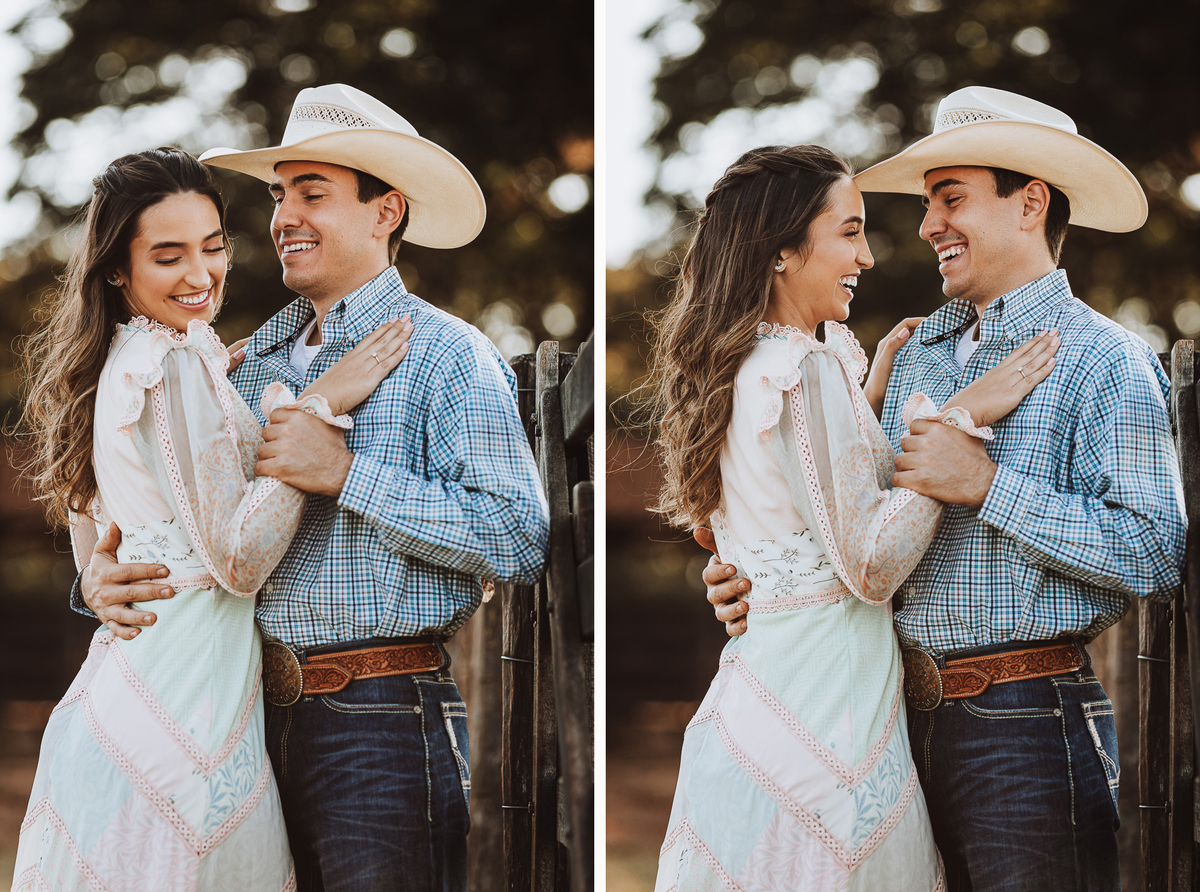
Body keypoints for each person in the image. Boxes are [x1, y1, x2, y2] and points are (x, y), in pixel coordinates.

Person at [704, 87, 1187, 891]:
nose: (928, 225)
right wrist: (751, 572)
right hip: (880, 724)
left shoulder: (1106, 360)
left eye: (951, 198)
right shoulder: (916, 356)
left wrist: (988, 485)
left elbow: (1153, 551)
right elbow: (844, 517)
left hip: (1026, 725)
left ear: (1030, 202)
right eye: (930, 202)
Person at [74, 85, 549, 892]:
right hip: (231, 718)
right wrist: (93, 582)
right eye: (278, 193)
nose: (284, 215)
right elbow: (145, 499)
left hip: (381, 720)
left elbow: (516, 537)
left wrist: (347, 474)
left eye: (313, 192)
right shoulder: (238, 363)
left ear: (385, 211)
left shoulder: (448, 356)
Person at [646, 144, 1060, 891]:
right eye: (848, 232)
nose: (867, 257)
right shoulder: (796, 368)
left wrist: (866, 403)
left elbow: (794, 505)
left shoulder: (758, 363)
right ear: (780, 251)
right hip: (823, 719)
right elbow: (868, 566)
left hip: (764, 701)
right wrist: (958, 419)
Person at [11, 146, 411, 891]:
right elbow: (238, 562)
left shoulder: (130, 361)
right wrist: (318, 406)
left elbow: (92, 543)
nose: (200, 276)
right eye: (169, 256)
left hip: (138, 683)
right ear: (117, 271)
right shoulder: (166, 364)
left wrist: (96, 581)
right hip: (184, 703)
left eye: (214, 246)